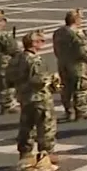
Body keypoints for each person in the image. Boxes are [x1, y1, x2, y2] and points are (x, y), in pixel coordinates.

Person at [7, 31, 58, 159]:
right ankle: (46, 155)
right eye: (41, 41)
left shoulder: (16, 59)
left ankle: (25, 154)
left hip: (24, 97)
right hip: (39, 98)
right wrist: (53, 79)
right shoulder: (35, 60)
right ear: (34, 43)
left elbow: (9, 78)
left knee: (26, 126)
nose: (43, 43)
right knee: (46, 128)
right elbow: (39, 81)